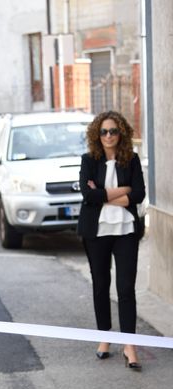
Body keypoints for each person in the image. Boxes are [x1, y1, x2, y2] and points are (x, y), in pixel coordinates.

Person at [77, 111, 146, 370]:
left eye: (113, 131)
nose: (108, 136)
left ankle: (129, 345)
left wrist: (103, 194)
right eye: (104, 131)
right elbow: (87, 194)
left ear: (121, 134)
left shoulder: (132, 160)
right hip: (96, 231)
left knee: (126, 288)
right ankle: (104, 337)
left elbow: (138, 194)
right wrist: (122, 190)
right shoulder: (88, 160)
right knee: (100, 285)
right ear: (97, 134)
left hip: (125, 229)